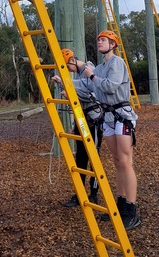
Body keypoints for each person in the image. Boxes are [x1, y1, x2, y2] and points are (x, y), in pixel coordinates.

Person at [53, 32, 141, 230]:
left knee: (126, 161)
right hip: (108, 117)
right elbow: (87, 86)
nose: (99, 42)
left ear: (112, 44)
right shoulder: (99, 67)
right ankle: (121, 203)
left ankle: (132, 210)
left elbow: (110, 87)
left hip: (121, 114)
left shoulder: (116, 63)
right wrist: (64, 82)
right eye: (99, 40)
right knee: (117, 162)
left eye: (103, 40)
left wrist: (91, 75)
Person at [58, 49, 103, 209]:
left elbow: (90, 90)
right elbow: (80, 92)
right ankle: (80, 193)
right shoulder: (78, 74)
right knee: (81, 157)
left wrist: (66, 83)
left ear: (71, 61)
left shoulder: (89, 69)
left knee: (94, 156)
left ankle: (94, 193)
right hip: (82, 117)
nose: (68, 70)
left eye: (67, 67)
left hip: (93, 119)